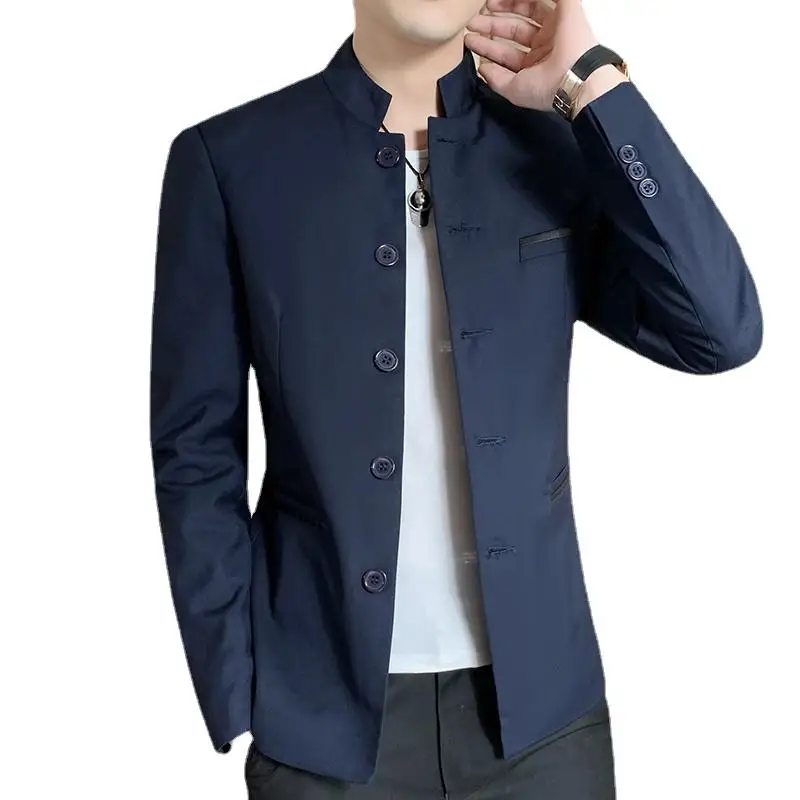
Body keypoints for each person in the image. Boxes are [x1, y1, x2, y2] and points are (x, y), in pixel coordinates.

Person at [149, 0, 763, 797]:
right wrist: (237, 683)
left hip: (544, 726)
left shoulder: (554, 150)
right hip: (322, 722)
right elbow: (195, 446)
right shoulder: (232, 161)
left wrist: (591, 83)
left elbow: (720, 331)